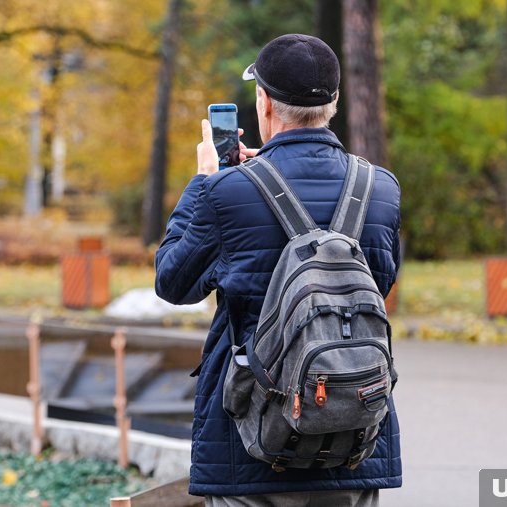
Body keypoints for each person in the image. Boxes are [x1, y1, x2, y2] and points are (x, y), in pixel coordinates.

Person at [155, 34, 401, 507]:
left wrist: (203, 183)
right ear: (334, 101)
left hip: (253, 447)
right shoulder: (380, 189)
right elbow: (379, 284)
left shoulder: (224, 193)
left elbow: (172, 281)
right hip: (354, 439)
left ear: (264, 103)